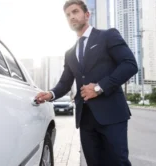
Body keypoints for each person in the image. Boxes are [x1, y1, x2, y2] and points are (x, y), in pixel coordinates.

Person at [35, 0, 138, 165]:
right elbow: (65, 83)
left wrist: (99, 87)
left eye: (75, 12)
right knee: (93, 162)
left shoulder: (107, 36)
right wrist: (51, 94)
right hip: (85, 118)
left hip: (111, 113)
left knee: (118, 162)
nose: (71, 17)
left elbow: (130, 64)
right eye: (68, 15)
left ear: (87, 14)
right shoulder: (70, 53)